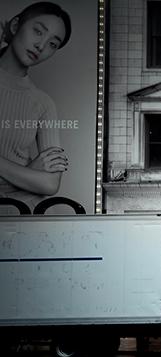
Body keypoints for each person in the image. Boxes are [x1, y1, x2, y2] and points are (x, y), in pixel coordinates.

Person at [0, 2, 72, 206]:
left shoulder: (43, 103)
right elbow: (39, 181)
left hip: (16, 214)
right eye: (38, 31)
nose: (41, 46)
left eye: (53, 44)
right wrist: (29, 173)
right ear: (15, 26)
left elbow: (50, 184)